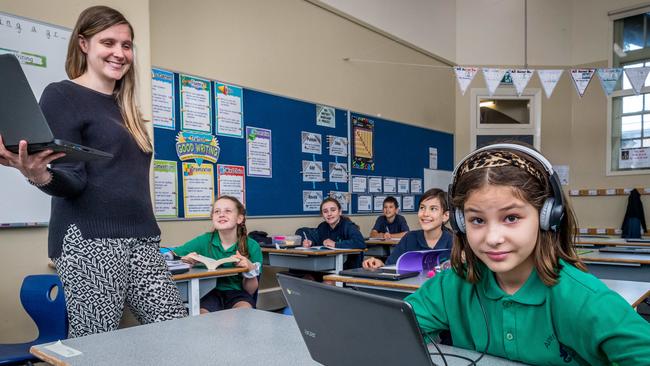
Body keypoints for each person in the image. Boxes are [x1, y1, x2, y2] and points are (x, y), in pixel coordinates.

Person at [0, 6, 187, 337]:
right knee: (97, 346)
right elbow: (71, 179)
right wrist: (38, 174)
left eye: (126, 45)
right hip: (90, 240)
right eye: (108, 42)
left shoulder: (126, 107)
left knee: (177, 332)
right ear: (84, 44)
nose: (119, 53)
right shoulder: (63, 94)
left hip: (142, 238)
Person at [404, 144, 650, 365]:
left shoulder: (584, 298)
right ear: (460, 223)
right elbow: (395, 331)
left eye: (511, 218)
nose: (492, 238)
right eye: (477, 220)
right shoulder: (452, 285)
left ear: (547, 217)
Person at [173, 196, 262, 313]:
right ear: (212, 218)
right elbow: (169, 254)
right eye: (217, 211)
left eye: (228, 211)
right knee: (202, 316)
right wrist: (183, 260)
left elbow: (250, 291)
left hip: (238, 294)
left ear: (239, 218)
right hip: (208, 293)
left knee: (243, 312)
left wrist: (249, 269)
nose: (221, 214)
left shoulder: (252, 246)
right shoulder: (204, 240)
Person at [363, 188, 452, 269]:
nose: (425, 214)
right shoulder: (409, 238)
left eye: (433, 209)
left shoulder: (454, 242)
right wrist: (380, 264)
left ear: (445, 216)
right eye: (422, 208)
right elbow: (391, 266)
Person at [302, 197, 366, 269]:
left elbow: (360, 243)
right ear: (322, 215)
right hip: (327, 266)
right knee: (306, 276)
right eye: (325, 211)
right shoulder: (322, 226)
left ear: (340, 212)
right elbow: (317, 240)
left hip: (348, 268)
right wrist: (310, 243)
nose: (329, 214)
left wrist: (335, 244)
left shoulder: (348, 226)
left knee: (327, 280)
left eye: (333, 210)